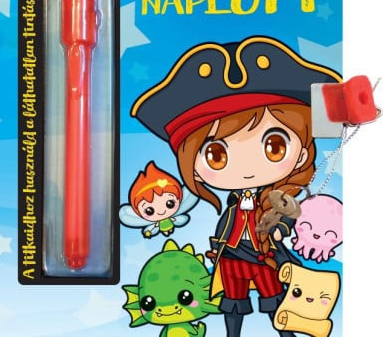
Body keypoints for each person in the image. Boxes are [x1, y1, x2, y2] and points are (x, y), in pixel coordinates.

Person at [131, 36, 341, 336]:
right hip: (232, 258)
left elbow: (283, 220)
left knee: (274, 300)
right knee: (233, 303)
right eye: (216, 155)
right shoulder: (233, 204)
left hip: (263, 256)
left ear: (303, 155)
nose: (247, 169)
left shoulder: (275, 200)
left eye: (274, 147)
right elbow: (227, 225)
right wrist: (217, 248)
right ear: (193, 169)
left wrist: (279, 230)